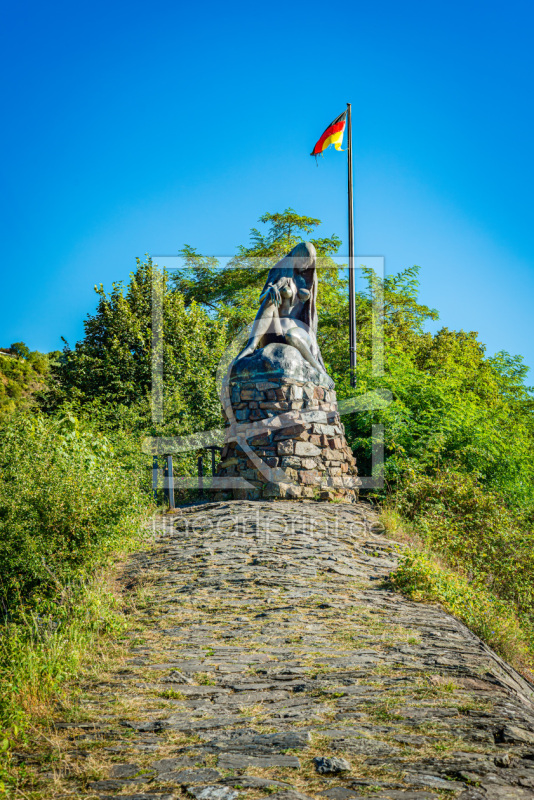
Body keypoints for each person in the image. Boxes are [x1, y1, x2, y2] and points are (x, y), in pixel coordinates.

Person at [235, 242, 329, 380]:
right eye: (303, 261)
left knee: (292, 335)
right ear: (296, 256)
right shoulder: (279, 269)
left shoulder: (310, 277)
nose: (306, 266)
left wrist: (314, 345)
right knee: (270, 295)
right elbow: (262, 298)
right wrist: (271, 290)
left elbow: (312, 313)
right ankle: (250, 346)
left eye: (309, 263)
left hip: (298, 331)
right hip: (276, 329)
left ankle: (318, 368)